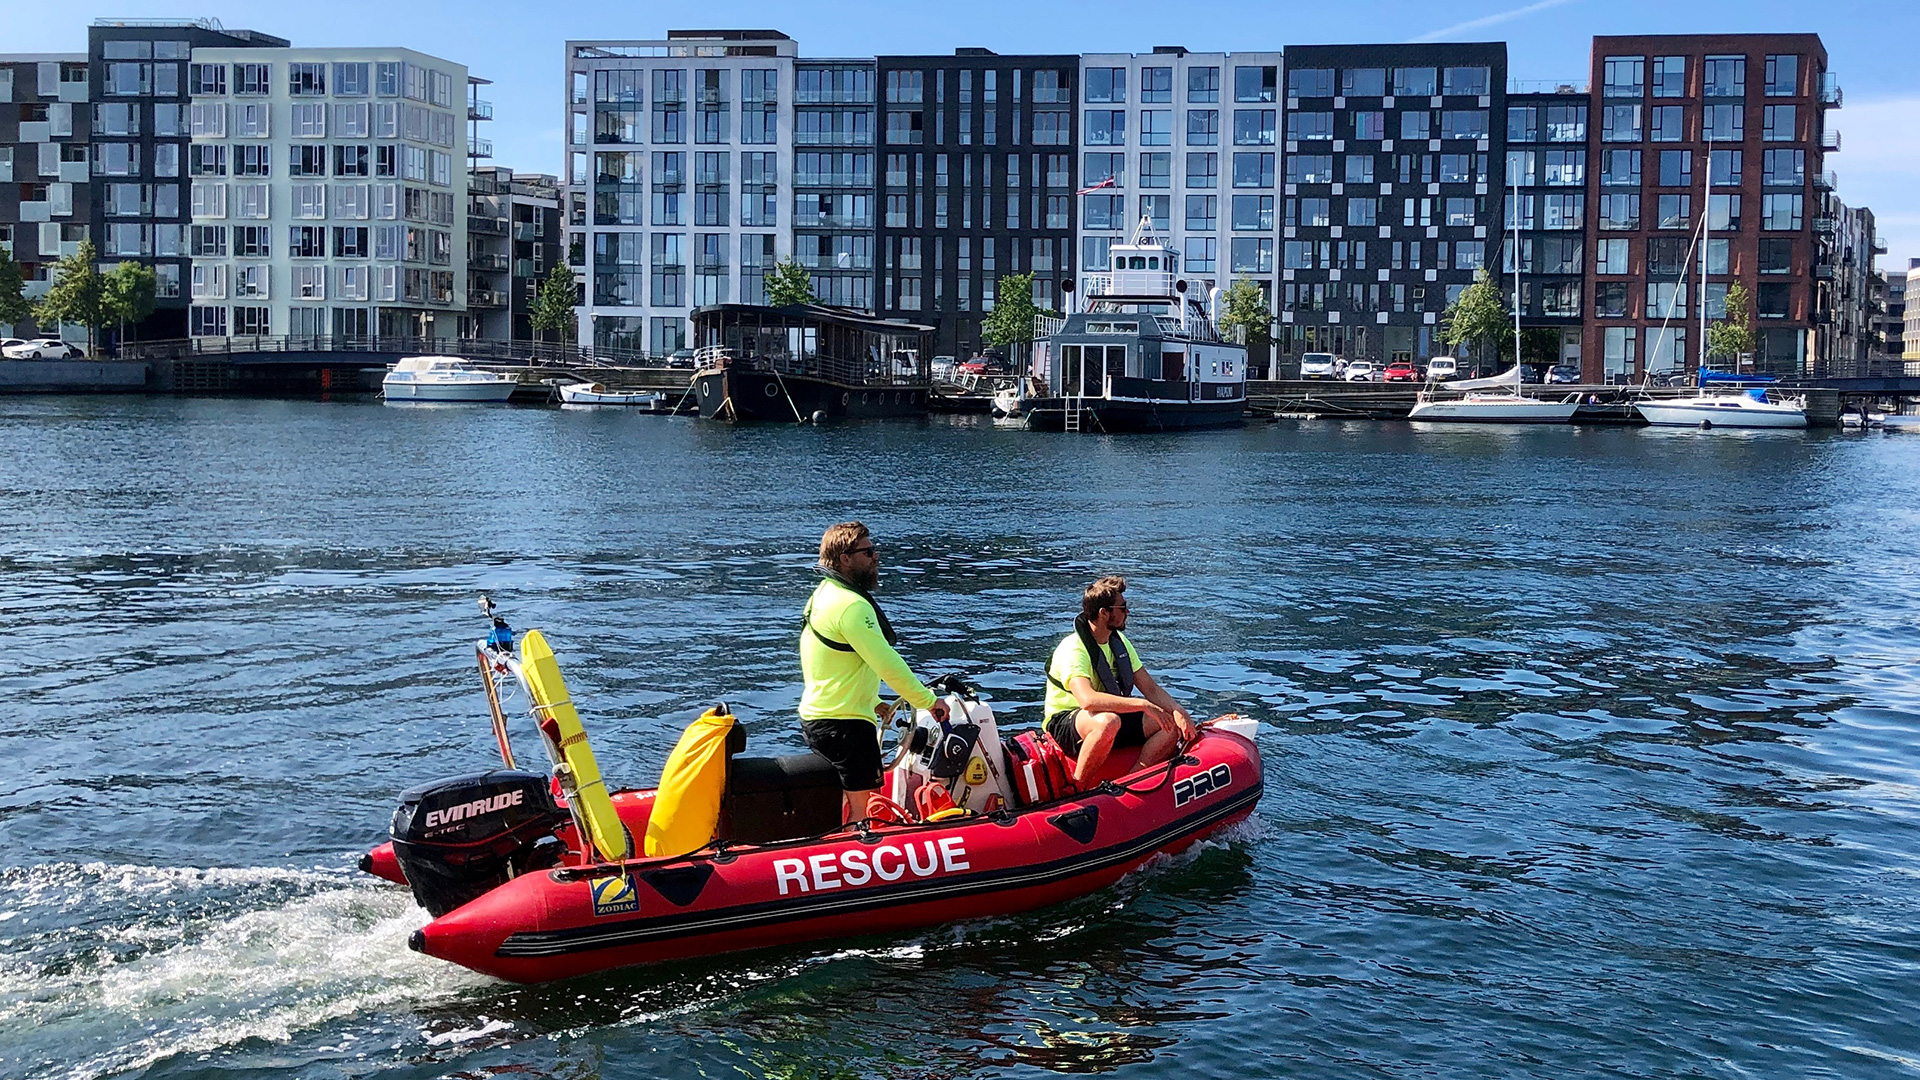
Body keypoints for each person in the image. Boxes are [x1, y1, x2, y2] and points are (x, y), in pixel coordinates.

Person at [800, 521, 948, 821]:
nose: (875, 557)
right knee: (862, 812)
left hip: (820, 718)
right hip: (844, 726)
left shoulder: (823, 595)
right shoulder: (851, 605)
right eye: (867, 552)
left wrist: (872, 702)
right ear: (845, 558)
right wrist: (929, 701)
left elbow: (829, 664)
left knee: (844, 805)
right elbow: (886, 662)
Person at [1044, 576, 1196, 785]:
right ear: (1104, 613)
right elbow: (1087, 700)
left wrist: (1177, 710)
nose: (1128, 612)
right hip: (1068, 721)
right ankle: (1077, 786)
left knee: (1168, 724)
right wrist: (1142, 705)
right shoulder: (1074, 649)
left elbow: (1149, 688)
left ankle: (1128, 783)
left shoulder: (1119, 642)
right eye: (1122, 607)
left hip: (1110, 714)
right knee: (1109, 721)